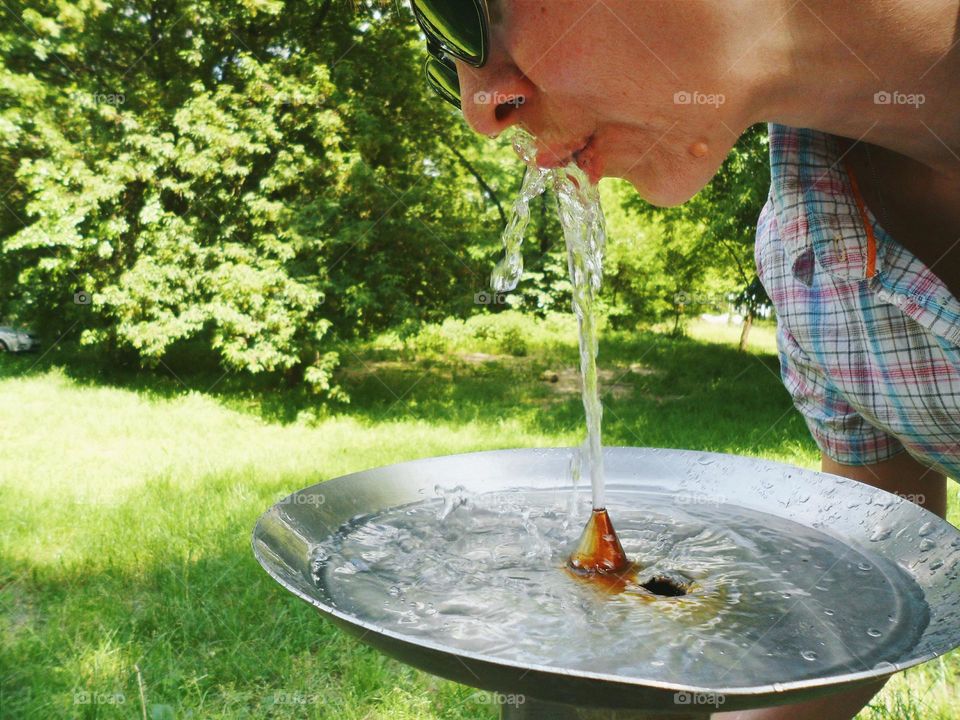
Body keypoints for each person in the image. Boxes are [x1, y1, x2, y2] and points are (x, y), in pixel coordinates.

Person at [408, 1, 960, 718]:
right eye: (439, 55)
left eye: (454, 8)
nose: (482, 109)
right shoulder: (807, 250)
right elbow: (877, 579)